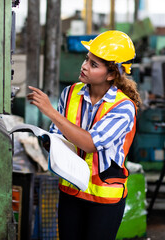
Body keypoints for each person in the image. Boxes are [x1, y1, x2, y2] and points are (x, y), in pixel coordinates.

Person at [27, 30, 141, 240]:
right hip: (71, 191)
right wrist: (46, 140)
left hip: (104, 199)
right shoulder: (70, 94)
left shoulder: (124, 107)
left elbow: (90, 144)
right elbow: (58, 137)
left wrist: (50, 111)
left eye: (94, 64)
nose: (84, 66)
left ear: (111, 74)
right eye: (87, 59)